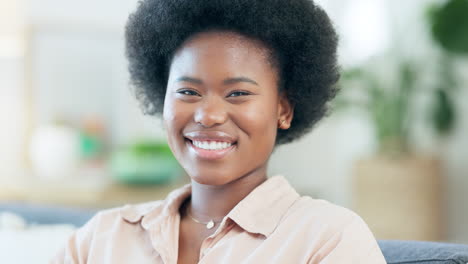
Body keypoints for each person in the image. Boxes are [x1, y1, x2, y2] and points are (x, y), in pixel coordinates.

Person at [52, 0, 386, 263]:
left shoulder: (328, 239)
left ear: (283, 109)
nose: (208, 115)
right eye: (188, 92)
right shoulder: (101, 239)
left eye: (238, 94)